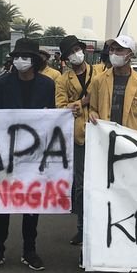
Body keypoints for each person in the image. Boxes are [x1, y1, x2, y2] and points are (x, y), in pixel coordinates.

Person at [0, 37, 56, 271]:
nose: (20, 61)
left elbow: (52, 116)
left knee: (31, 202)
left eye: (25, 57)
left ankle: (30, 250)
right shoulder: (4, 83)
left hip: (35, 153)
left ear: (35, 61)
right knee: (3, 201)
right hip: (7, 150)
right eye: (17, 57)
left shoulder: (47, 85)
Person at [55, 35, 95, 246]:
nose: (75, 55)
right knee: (80, 184)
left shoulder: (99, 73)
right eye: (70, 53)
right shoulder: (62, 80)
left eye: (76, 50)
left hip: (100, 133)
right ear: (66, 58)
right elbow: (61, 108)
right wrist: (82, 102)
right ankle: (82, 227)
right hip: (79, 137)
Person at [88, 35, 137, 135]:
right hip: (105, 137)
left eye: (119, 50)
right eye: (112, 49)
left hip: (130, 139)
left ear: (130, 55)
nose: (114, 53)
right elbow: (93, 108)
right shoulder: (98, 80)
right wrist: (93, 114)